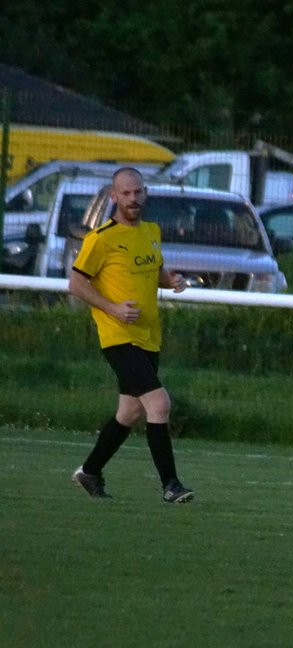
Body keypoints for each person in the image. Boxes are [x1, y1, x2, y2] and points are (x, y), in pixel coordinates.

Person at [68, 167, 195, 504]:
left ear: (145, 193)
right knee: (159, 402)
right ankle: (171, 485)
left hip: (148, 336)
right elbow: (76, 283)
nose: (133, 198)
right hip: (118, 336)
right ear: (114, 196)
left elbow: (153, 273)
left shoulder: (152, 232)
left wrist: (172, 281)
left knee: (130, 413)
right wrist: (112, 309)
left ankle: (89, 472)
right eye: (125, 193)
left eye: (138, 192)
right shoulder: (101, 238)